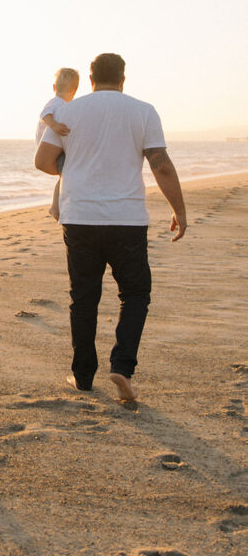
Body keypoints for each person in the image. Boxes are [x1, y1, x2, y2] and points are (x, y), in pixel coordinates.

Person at [35, 53, 187, 401]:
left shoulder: (67, 111)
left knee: (84, 299)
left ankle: (83, 378)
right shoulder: (143, 110)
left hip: (80, 218)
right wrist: (179, 209)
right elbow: (160, 164)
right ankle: (121, 366)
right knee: (135, 293)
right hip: (127, 220)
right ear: (123, 79)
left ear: (89, 79)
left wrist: (78, 170)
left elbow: (42, 161)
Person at [35, 68, 80, 219]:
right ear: (74, 92)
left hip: (53, 145)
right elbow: (44, 115)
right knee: (65, 174)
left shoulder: (61, 104)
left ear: (54, 87)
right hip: (47, 146)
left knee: (64, 175)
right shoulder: (56, 103)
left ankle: (57, 205)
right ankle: (55, 206)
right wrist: (53, 125)